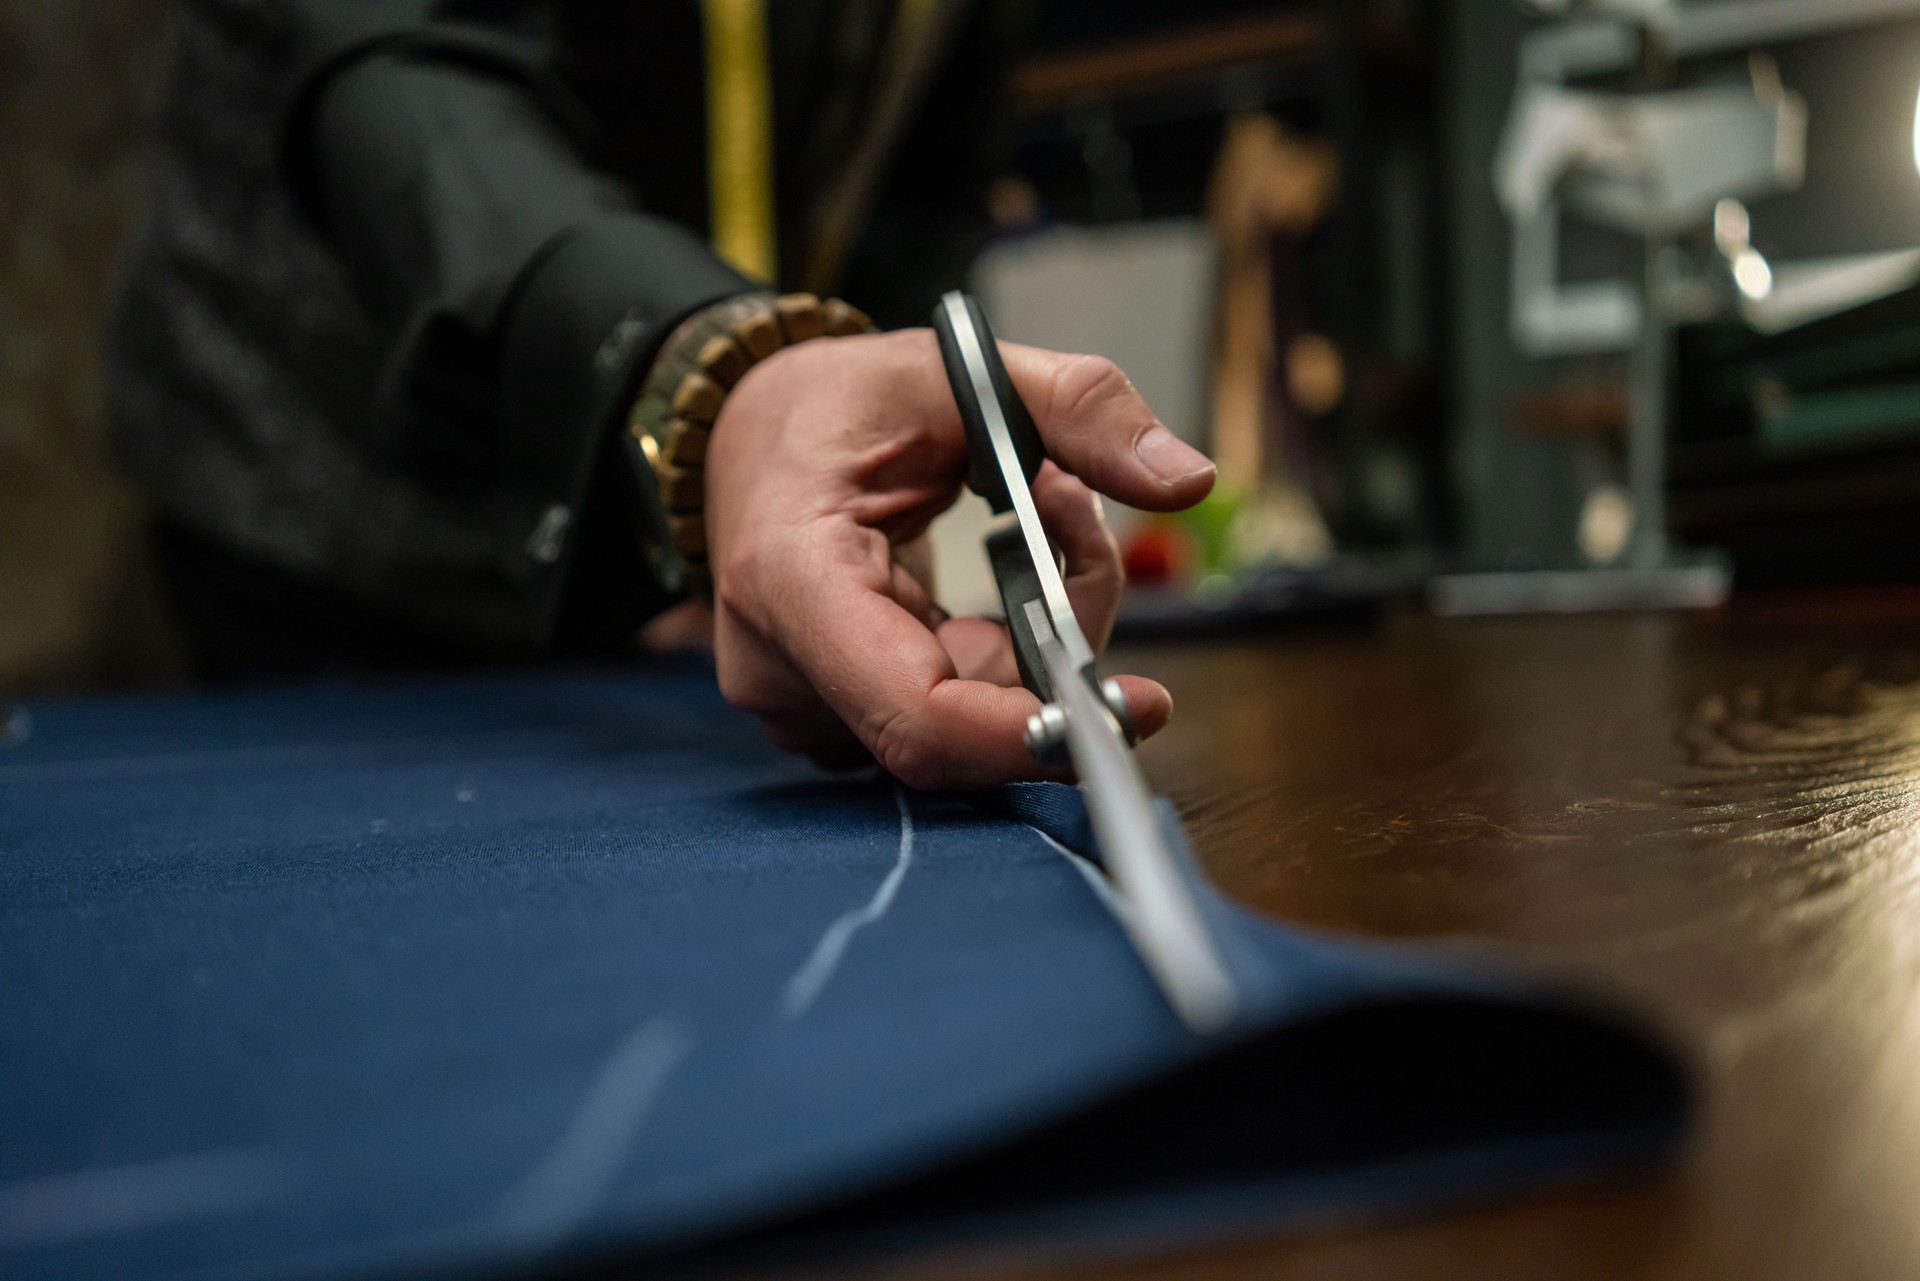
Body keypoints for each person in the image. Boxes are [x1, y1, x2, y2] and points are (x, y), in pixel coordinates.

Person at [107, 1, 1216, 790]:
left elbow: (919, 175)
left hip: (706, 610)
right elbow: (406, 75)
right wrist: (718, 393)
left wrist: (865, 465)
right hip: (338, 538)